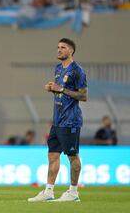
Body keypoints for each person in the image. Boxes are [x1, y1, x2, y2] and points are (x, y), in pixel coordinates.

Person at [28, 38, 87, 202]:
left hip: (71, 121)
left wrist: (60, 88)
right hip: (57, 121)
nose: (59, 50)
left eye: (63, 47)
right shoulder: (59, 69)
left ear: (71, 51)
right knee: (53, 156)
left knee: (73, 156)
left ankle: (74, 192)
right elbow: (62, 91)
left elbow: (83, 95)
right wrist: (53, 89)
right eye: (58, 47)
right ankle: (48, 192)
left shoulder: (77, 71)